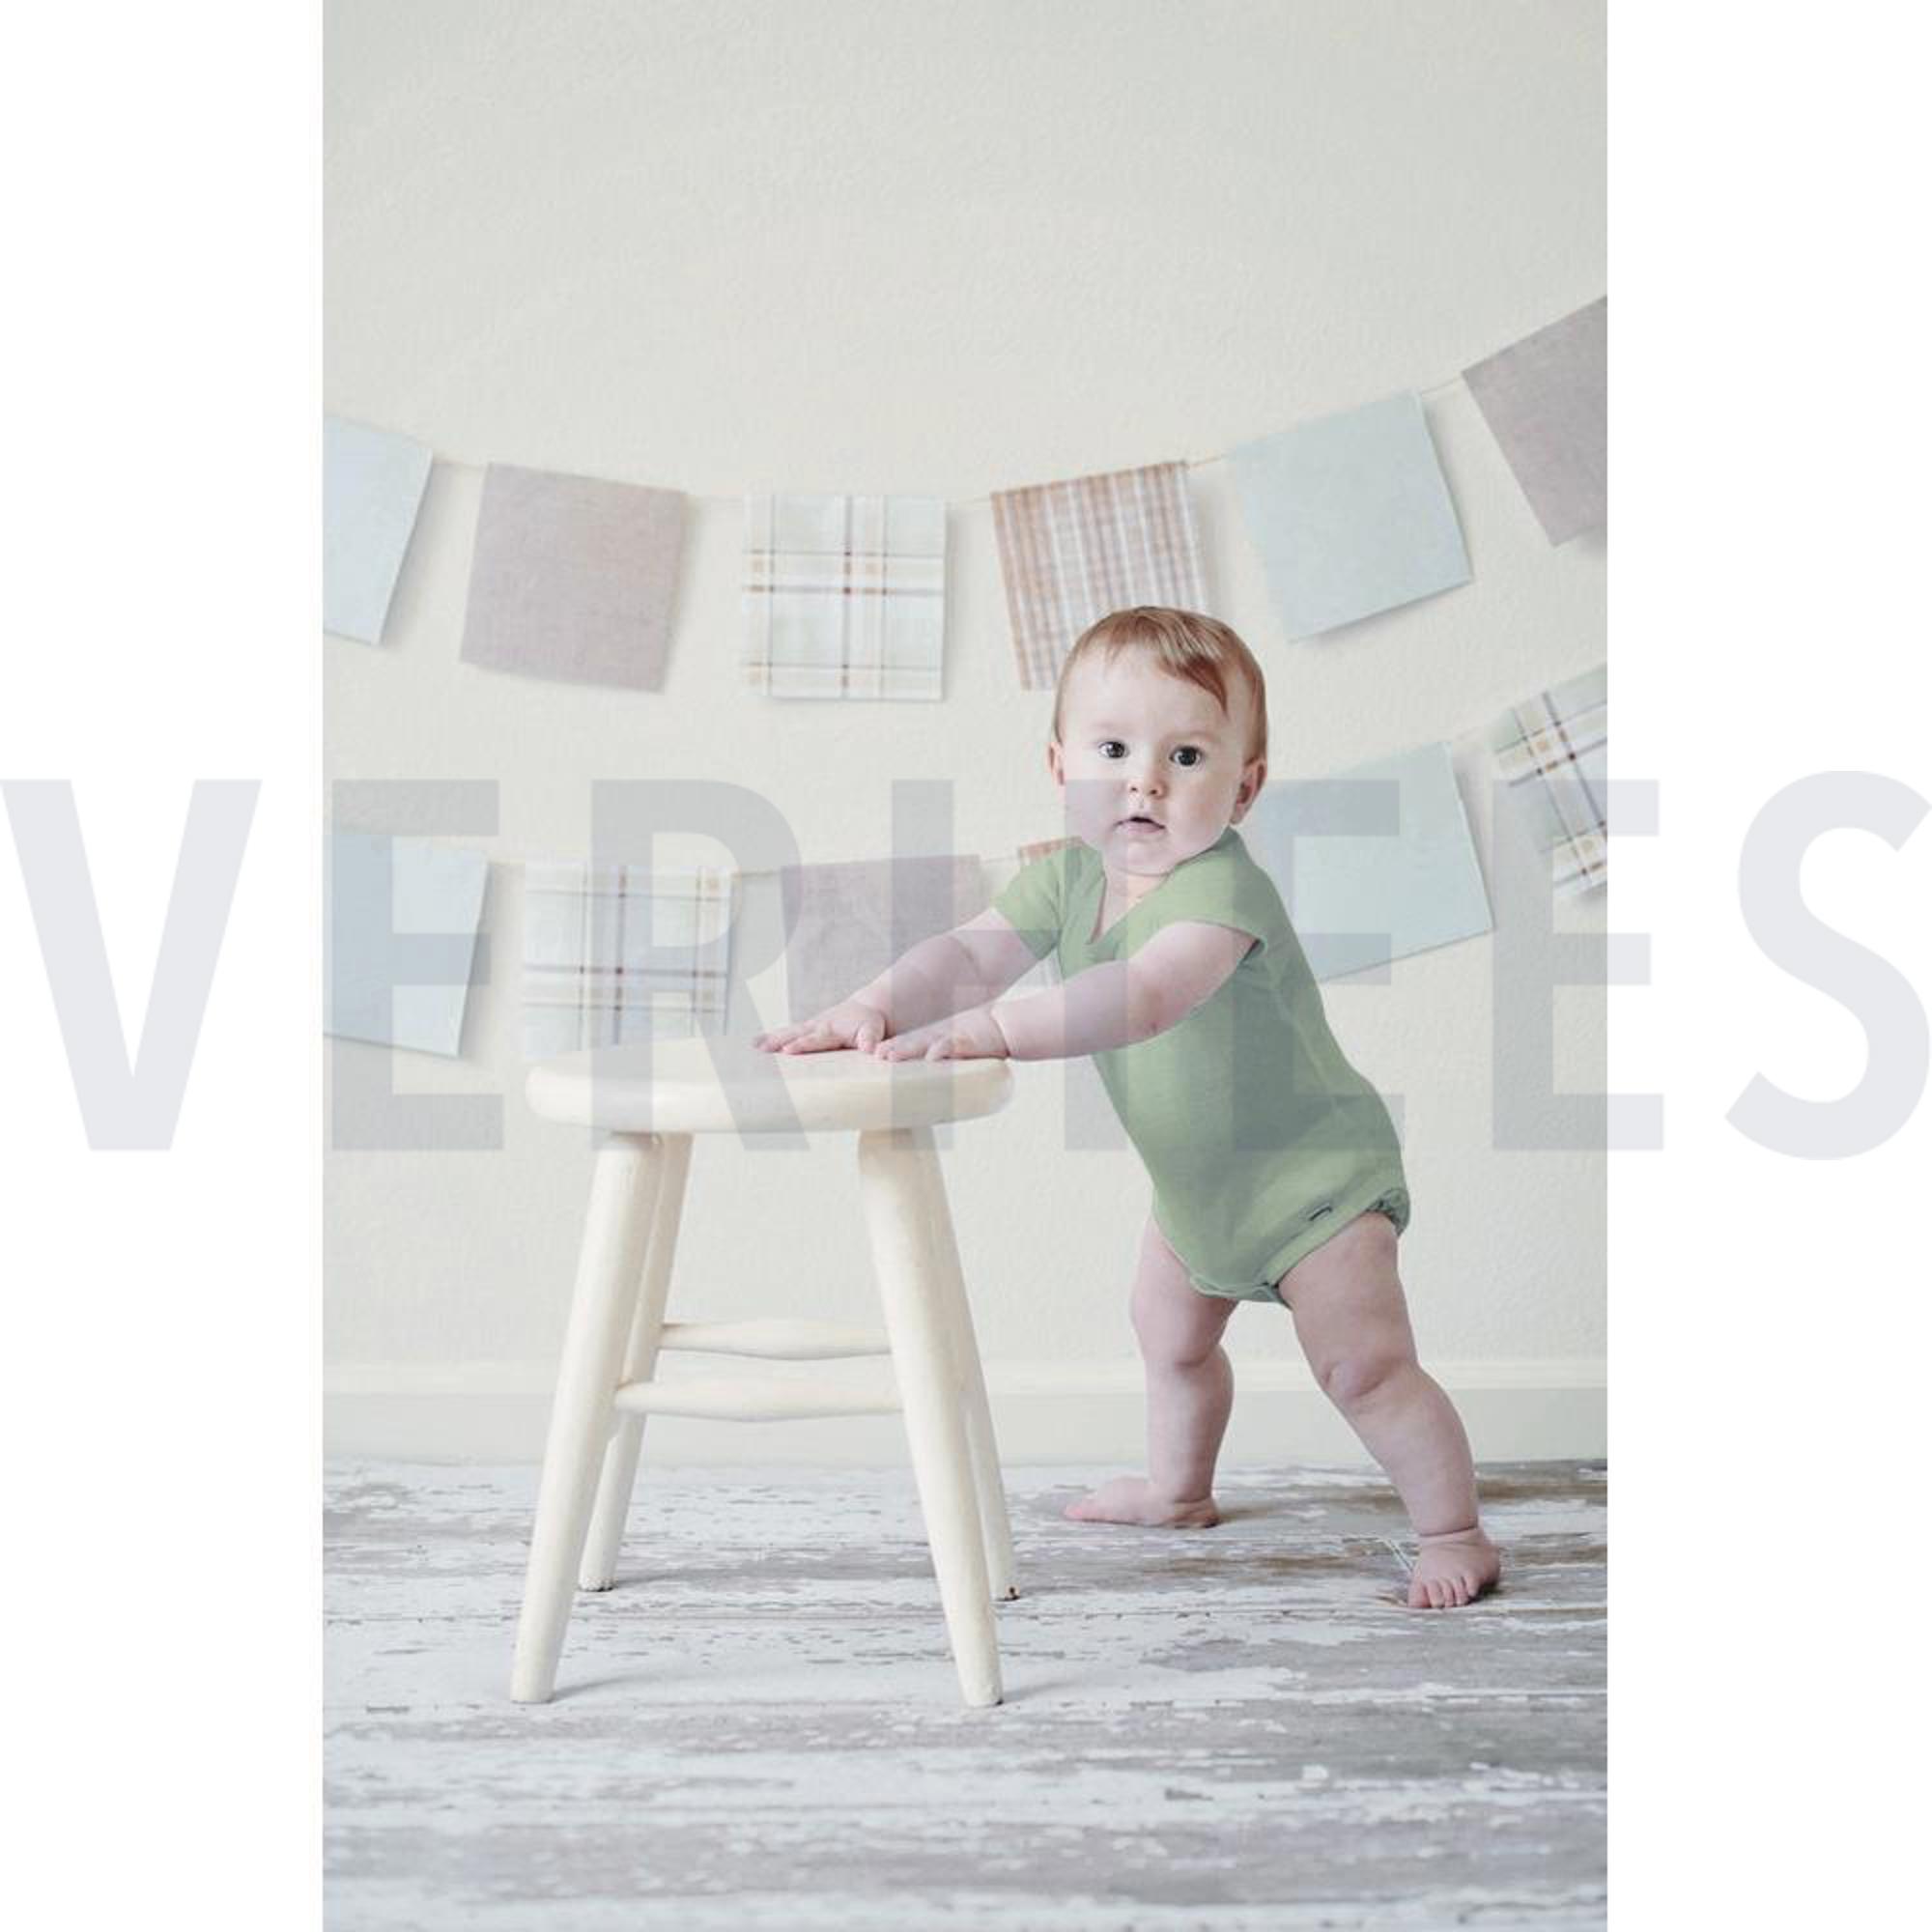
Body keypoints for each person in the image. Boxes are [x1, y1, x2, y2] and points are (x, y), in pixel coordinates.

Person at [753, 606, 1501, 1608]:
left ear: (1244, 787)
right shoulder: (1066, 879)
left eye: (1185, 756)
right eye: (1112, 750)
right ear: (1059, 764)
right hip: (1197, 1194)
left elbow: (1143, 996)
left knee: (1363, 1368)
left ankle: (1454, 1530)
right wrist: (875, 1005)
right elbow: (968, 953)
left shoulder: (1222, 893)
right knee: (1170, 1341)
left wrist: (994, 1029)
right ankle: (1178, 1489)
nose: (1144, 781)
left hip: (1316, 1183)